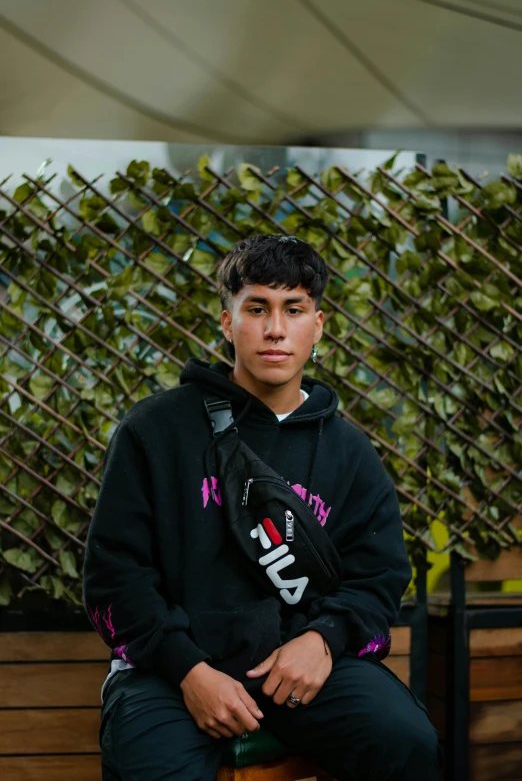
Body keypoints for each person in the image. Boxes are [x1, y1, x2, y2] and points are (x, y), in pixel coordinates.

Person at [83, 234, 442, 780]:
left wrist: (324, 639)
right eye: (257, 308)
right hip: (169, 670)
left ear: (317, 326)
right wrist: (189, 671)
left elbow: (380, 575)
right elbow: (115, 575)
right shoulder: (154, 430)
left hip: (296, 669)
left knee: (408, 742)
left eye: (293, 309)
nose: (275, 329)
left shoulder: (348, 452)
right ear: (228, 323)